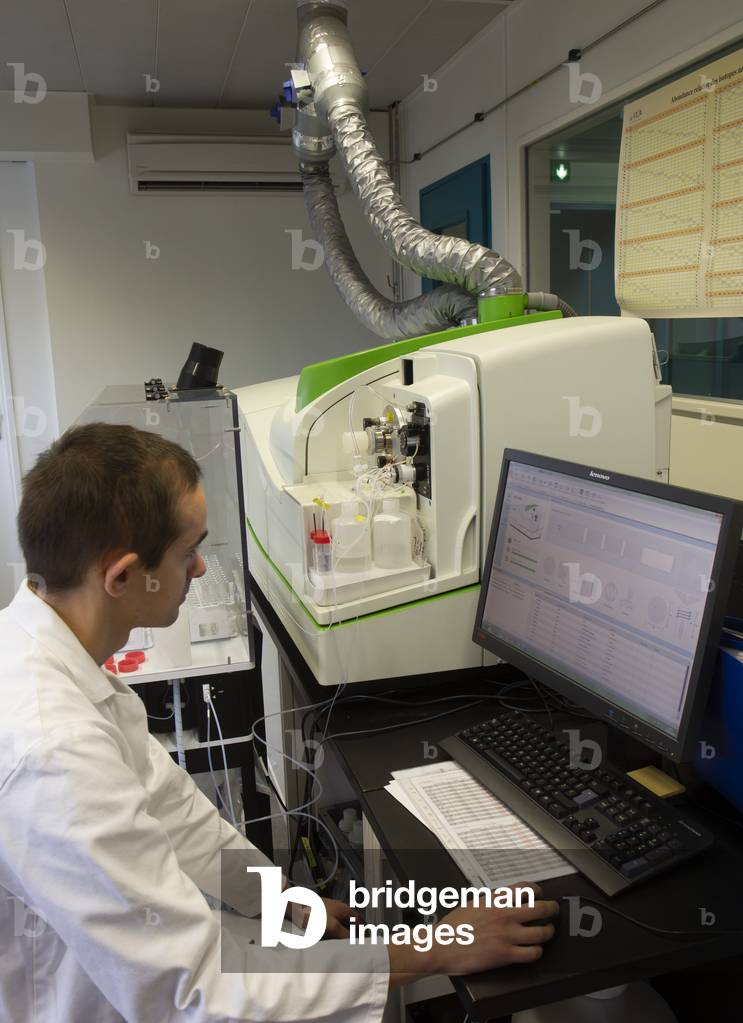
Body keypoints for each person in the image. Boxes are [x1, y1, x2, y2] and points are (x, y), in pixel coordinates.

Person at [0, 422, 558, 1022]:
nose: (199, 569)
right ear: (121, 577)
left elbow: (176, 816)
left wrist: (282, 899)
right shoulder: (54, 754)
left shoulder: (53, 656)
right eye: (188, 553)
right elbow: (199, 998)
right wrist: (433, 948)